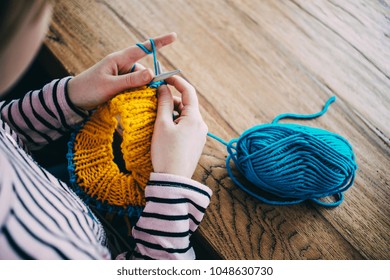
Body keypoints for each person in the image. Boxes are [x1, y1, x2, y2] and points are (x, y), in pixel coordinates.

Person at [0, 0, 211, 259]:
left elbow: (5, 131)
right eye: (46, 10)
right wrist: (173, 179)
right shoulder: (35, 254)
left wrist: (71, 96)